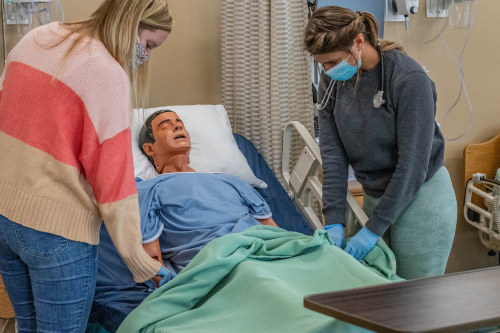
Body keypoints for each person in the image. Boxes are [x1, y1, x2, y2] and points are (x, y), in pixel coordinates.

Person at [0, 1, 173, 331]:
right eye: (149, 45)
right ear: (132, 23)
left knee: (27, 327)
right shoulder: (107, 74)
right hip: (57, 233)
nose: (146, 57)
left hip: (5, 220)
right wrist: (138, 259)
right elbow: (114, 185)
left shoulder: (37, 37)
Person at [304, 6, 457, 279]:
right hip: (377, 195)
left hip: (421, 197)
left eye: (332, 62)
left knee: (417, 300)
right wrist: (334, 218)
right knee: (381, 295)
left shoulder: (408, 80)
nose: (326, 71)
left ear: (359, 42)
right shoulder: (332, 81)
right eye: (320, 64)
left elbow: (412, 166)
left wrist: (373, 229)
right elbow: (333, 153)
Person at [137, 110, 278, 274]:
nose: (177, 127)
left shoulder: (230, 180)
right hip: (218, 265)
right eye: (166, 126)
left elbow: (273, 231)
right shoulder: (149, 189)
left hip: (262, 251)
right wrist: (169, 285)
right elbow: (151, 259)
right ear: (149, 148)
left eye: (180, 124)